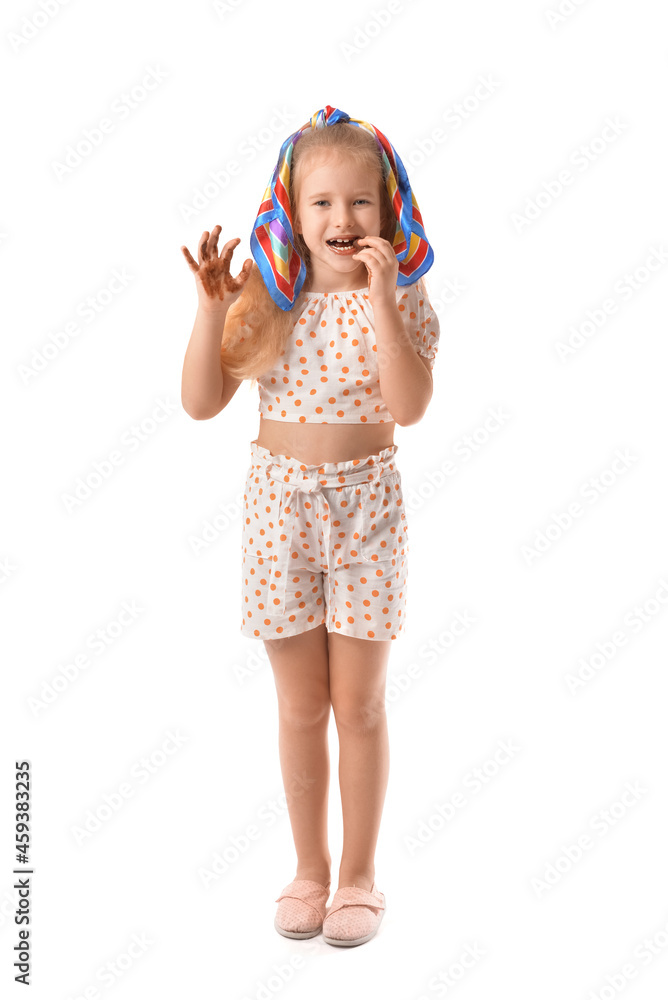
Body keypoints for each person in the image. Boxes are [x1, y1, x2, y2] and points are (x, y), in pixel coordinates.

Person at [180, 105, 440, 948]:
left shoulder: (399, 296)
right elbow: (200, 403)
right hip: (277, 510)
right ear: (292, 212)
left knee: (358, 705)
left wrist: (383, 304)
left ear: (386, 212)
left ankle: (360, 877)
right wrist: (210, 310)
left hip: (367, 507)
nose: (341, 219)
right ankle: (310, 871)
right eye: (322, 203)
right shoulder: (269, 298)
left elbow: (410, 407)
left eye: (360, 203)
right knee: (301, 707)